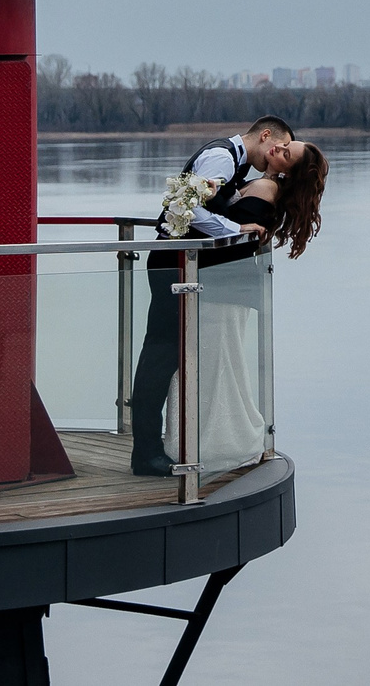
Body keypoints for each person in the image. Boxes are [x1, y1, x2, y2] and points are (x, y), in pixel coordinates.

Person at [128, 120, 323, 476]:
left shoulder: (240, 168)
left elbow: (208, 207)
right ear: (267, 137)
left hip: (181, 264)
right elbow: (186, 208)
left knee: (164, 354)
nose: (278, 156)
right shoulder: (221, 158)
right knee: (160, 355)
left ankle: (150, 448)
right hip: (172, 263)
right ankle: (146, 452)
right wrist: (236, 229)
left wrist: (237, 212)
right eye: (280, 148)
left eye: (287, 157)